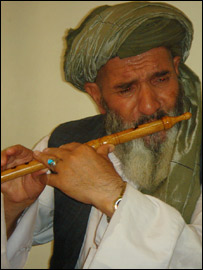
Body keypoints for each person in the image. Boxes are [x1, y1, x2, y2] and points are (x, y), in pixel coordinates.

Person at [1, 1, 202, 269]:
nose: (150, 105)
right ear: (97, 96)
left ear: (176, 69)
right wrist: (13, 206)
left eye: (160, 79)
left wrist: (110, 193)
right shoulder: (67, 140)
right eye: (126, 89)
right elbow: (26, 237)